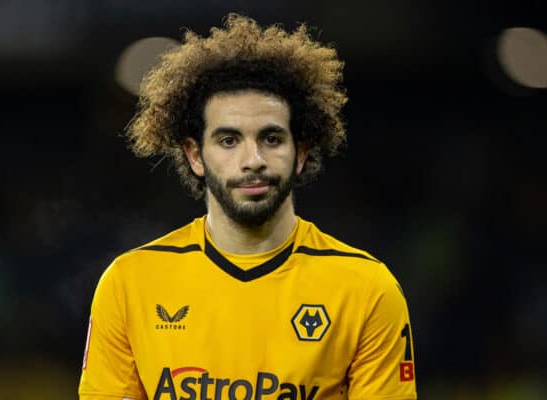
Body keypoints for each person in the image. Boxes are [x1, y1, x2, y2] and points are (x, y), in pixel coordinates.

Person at [79, 14, 417, 400]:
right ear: (195, 155)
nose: (252, 159)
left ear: (301, 153)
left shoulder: (368, 290)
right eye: (228, 140)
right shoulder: (128, 284)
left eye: (271, 138)